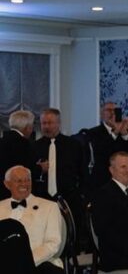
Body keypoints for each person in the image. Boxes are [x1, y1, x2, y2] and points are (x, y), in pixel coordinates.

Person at [33, 108, 86, 253]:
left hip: (68, 198)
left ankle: (73, 270)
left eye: (50, 123)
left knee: (71, 237)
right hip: (42, 199)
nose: (46, 127)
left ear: (58, 123)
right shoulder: (34, 147)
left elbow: (83, 173)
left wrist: (81, 195)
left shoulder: (74, 145)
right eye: (43, 123)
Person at [83, 101, 128, 196]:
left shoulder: (123, 132)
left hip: (123, 183)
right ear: (102, 114)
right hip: (102, 182)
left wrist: (125, 134)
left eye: (115, 110)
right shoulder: (93, 132)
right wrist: (115, 133)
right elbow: (100, 152)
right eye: (108, 110)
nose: (112, 113)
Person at [0, 110, 36, 202]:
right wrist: (41, 168)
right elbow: (27, 168)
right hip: (16, 192)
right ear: (27, 127)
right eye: (31, 126)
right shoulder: (24, 144)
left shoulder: (2, 140)